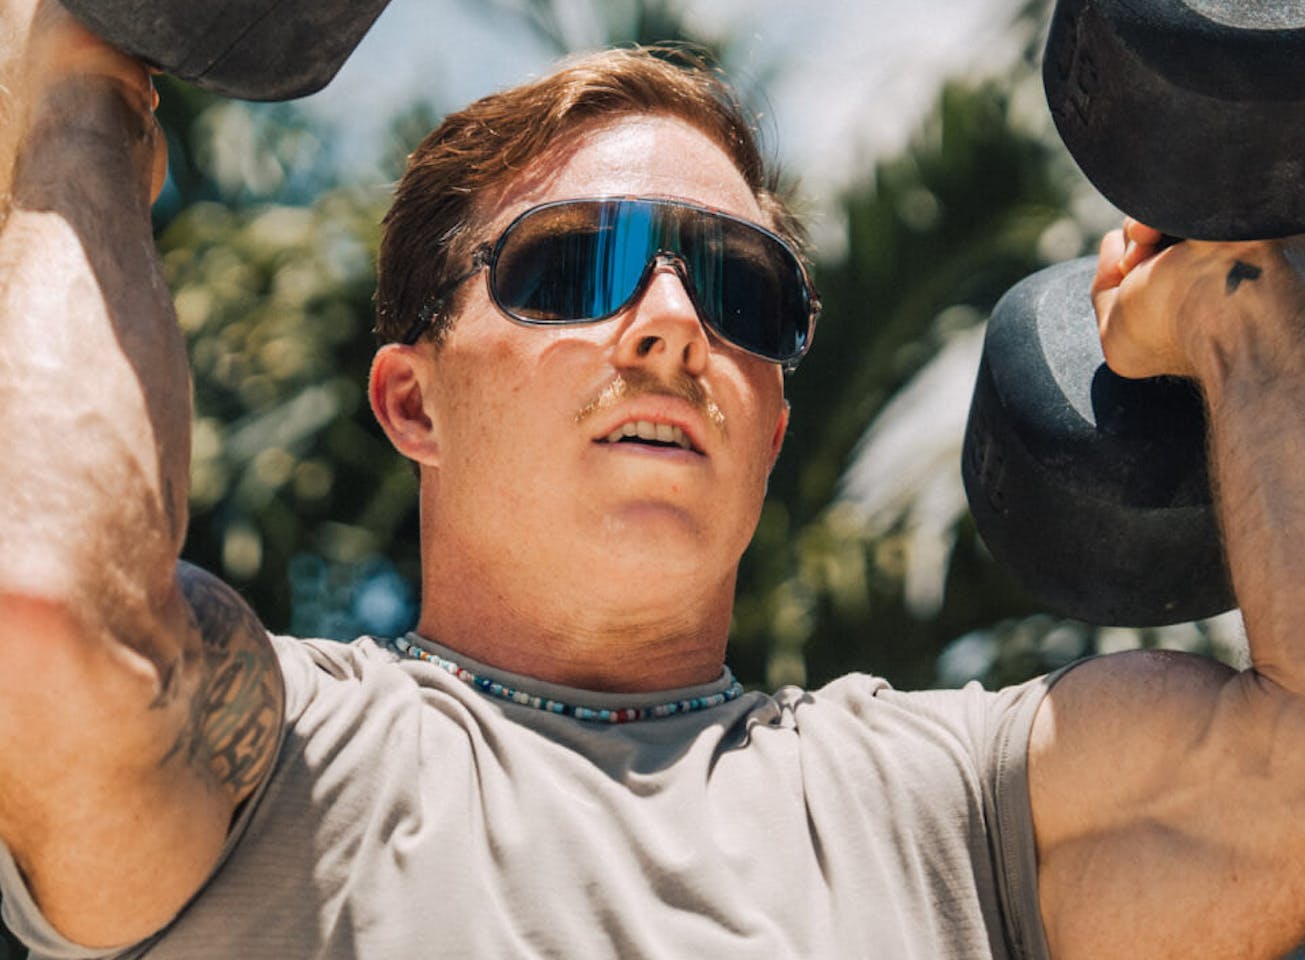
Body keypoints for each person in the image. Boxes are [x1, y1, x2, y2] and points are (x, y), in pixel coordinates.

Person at [3, 2, 1305, 958]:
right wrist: (76, 84)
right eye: (574, 267)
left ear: (772, 420)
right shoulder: (288, 763)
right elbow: (46, 616)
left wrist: (1232, 304)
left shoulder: (952, 807)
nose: (675, 324)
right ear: (414, 401)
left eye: (741, 289)